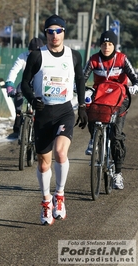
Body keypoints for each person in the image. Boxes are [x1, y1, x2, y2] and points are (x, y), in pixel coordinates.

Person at [20, 14, 87, 225]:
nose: (54, 35)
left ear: (64, 33)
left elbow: (80, 80)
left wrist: (83, 106)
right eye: (50, 31)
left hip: (65, 111)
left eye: (58, 31)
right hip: (43, 114)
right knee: (43, 164)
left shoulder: (74, 55)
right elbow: (25, 84)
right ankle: (46, 200)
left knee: (60, 152)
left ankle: (60, 195)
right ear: (46, 34)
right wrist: (32, 99)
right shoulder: (37, 56)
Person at [83, 30, 138, 189]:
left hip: (119, 99)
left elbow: (134, 78)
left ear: (114, 45)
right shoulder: (94, 59)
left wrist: (134, 87)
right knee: (89, 110)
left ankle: (118, 173)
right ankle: (94, 137)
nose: (106, 47)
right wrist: (78, 87)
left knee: (116, 135)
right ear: (99, 45)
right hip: (100, 97)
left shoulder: (122, 59)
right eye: (103, 44)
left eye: (110, 44)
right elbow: (83, 77)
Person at [4, 37, 44, 136]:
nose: (33, 54)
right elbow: (14, 70)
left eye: (36, 51)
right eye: (31, 51)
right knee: (18, 90)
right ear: (28, 50)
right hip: (27, 83)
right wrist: (9, 84)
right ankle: (18, 115)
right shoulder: (23, 57)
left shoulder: (45, 57)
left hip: (41, 84)